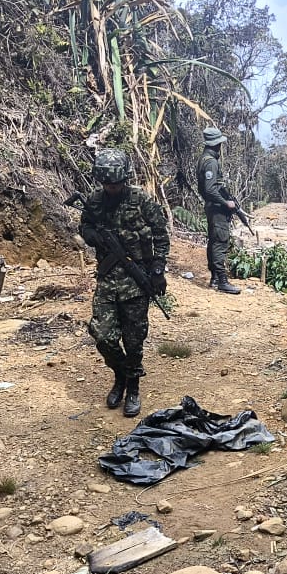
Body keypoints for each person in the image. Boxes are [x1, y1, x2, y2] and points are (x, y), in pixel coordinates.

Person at [80, 148, 170, 417]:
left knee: (134, 341)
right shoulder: (95, 201)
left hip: (136, 280)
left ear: (124, 179)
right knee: (103, 335)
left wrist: (157, 268)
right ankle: (120, 374)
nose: (112, 187)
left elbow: (160, 234)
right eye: (107, 183)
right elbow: (84, 227)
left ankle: (132, 387)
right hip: (108, 280)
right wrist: (92, 235)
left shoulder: (141, 200)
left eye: (116, 183)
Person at [196, 127, 242, 294]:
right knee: (220, 242)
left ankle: (215, 278)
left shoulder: (205, 159)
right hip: (216, 208)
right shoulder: (211, 162)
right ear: (216, 145)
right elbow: (210, 189)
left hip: (212, 207)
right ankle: (222, 280)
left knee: (214, 241)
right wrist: (226, 203)